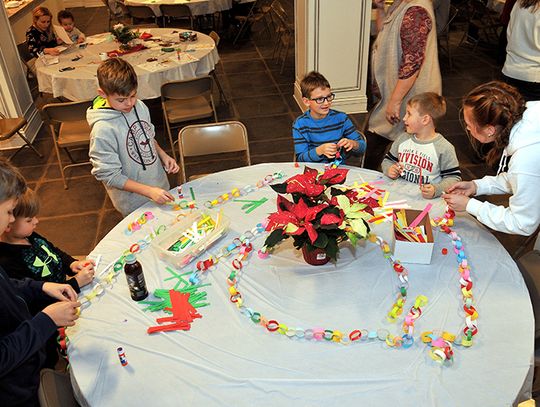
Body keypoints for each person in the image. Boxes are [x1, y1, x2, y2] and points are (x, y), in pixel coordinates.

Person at [0, 158, 80, 407]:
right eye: (9, 211)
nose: (12, 220)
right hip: (16, 390)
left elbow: (7, 285)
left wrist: (39, 286)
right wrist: (46, 321)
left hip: (30, 362)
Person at [443, 81, 540, 236]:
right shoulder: (528, 117)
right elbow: (526, 180)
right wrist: (477, 186)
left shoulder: (524, 161)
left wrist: (470, 205)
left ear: (489, 130)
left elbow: (522, 223)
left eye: (469, 124)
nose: (467, 128)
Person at [87, 58, 179, 217]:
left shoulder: (140, 106)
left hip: (158, 186)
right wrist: (149, 191)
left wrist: (163, 155)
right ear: (102, 94)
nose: (129, 103)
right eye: (121, 100)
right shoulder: (102, 130)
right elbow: (109, 175)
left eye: (133, 95)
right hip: (133, 202)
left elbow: (147, 135)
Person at [366, 0, 442, 170]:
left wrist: (394, 101)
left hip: (412, 95)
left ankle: (370, 184)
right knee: (384, 140)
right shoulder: (402, 3)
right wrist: (380, 9)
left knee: (381, 140)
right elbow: (384, 33)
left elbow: (412, 62)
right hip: (399, 91)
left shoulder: (416, 11)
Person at [0, 188, 95, 297]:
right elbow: (37, 298)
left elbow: (53, 252)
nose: (36, 221)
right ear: (8, 223)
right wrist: (76, 283)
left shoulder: (29, 235)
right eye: (29, 220)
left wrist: (72, 264)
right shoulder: (7, 261)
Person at [381, 92, 461, 199]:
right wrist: (389, 169)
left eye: (409, 114)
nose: (404, 118)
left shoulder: (444, 148)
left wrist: (436, 189)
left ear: (425, 120)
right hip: (399, 195)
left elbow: (453, 178)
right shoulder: (402, 139)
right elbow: (387, 161)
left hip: (427, 201)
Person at [293, 71, 366, 164]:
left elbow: (362, 149)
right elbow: (300, 159)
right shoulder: (300, 124)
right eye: (320, 99)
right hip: (312, 170)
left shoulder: (341, 118)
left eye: (329, 97)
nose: (326, 103)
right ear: (307, 101)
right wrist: (319, 151)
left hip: (338, 170)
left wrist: (353, 144)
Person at [501, 0, 540, 101]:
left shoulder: (520, 3)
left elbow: (509, 33)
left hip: (511, 70)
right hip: (534, 76)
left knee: (510, 113)